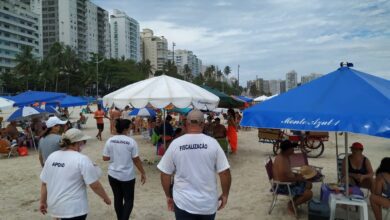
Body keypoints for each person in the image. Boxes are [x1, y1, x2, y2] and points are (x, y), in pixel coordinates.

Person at [157, 109, 231, 219]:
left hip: (183, 203)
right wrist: (225, 194)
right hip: (207, 204)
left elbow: (165, 173)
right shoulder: (212, 143)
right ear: (203, 123)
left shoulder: (176, 144)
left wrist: (168, 196)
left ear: (187, 123)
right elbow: (224, 172)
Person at [39, 128, 111, 219]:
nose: (84, 144)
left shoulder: (52, 156)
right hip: (74, 209)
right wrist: (106, 198)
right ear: (78, 142)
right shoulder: (81, 159)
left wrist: (42, 202)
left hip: (56, 208)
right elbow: (94, 185)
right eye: (84, 141)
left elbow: (44, 183)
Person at [103, 119, 146, 220]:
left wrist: (115, 156)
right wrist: (143, 172)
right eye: (130, 126)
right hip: (127, 176)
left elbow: (105, 158)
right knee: (129, 200)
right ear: (126, 129)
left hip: (113, 174)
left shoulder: (110, 140)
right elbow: (136, 159)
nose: (131, 128)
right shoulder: (131, 141)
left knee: (118, 199)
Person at [273, 140, 313, 215]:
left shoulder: (285, 156)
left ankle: (293, 201)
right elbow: (282, 179)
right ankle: (291, 205)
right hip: (283, 185)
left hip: (289, 182)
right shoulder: (281, 160)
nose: (293, 150)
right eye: (292, 148)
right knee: (309, 194)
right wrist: (297, 178)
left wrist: (297, 175)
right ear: (287, 150)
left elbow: (287, 172)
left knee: (309, 184)